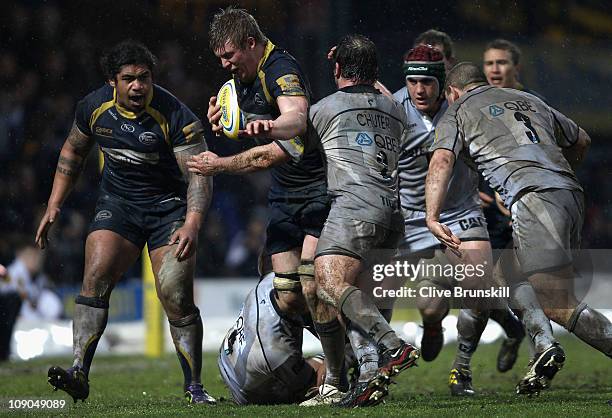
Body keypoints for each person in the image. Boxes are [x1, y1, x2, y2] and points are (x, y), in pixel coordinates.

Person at [35, 40, 215, 404]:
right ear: (112, 82)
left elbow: (199, 175)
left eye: (144, 78)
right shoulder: (93, 107)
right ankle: (78, 372)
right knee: (95, 275)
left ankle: (195, 387)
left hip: (168, 210)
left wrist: (192, 223)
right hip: (118, 205)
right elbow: (73, 150)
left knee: (176, 295)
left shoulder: (176, 115)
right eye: (129, 79)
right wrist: (54, 204)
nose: (138, 87)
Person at [427, 62, 612, 395]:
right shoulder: (527, 99)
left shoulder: (458, 112)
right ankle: (544, 347)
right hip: (569, 192)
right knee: (504, 273)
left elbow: (441, 161)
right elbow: (581, 139)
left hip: (534, 198)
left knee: (553, 299)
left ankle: (553, 345)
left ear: (451, 92)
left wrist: (432, 216)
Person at [293, 34, 420, 407]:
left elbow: (287, 148)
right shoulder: (396, 109)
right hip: (392, 214)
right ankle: (366, 379)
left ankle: (392, 346)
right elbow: (376, 97)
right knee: (355, 298)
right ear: (376, 72)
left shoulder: (325, 109)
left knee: (327, 280)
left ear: (335, 69)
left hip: (354, 208)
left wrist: (227, 154)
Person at [187, 6, 329, 332]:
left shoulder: (280, 69)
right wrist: (224, 121)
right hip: (283, 192)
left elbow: (296, 117)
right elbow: (243, 119)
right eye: (219, 57)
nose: (224, 64)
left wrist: (224, 162)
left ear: (251, 43)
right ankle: (337, 346)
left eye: (229, 55)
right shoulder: (243, 77)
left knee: (312, 284)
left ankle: (353, 355)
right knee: (288, 295)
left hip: (317, 189)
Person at [394, 43, 524, 395]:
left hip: (460, 211)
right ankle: (433, 326)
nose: (420, 90)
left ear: (444, 84)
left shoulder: (465, 108)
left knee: (478, 285)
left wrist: (502, 188)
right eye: (413, 82)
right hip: (411, 217)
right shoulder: (391, 109)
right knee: (430, 305)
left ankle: (462, 371)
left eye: (429, 83)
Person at [218, 259, 326, 405]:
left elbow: (267, 257)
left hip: (231, 366)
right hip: (252, 391)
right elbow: (310, 381)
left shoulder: (270, 282)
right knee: (331, 362)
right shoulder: (276, 348)